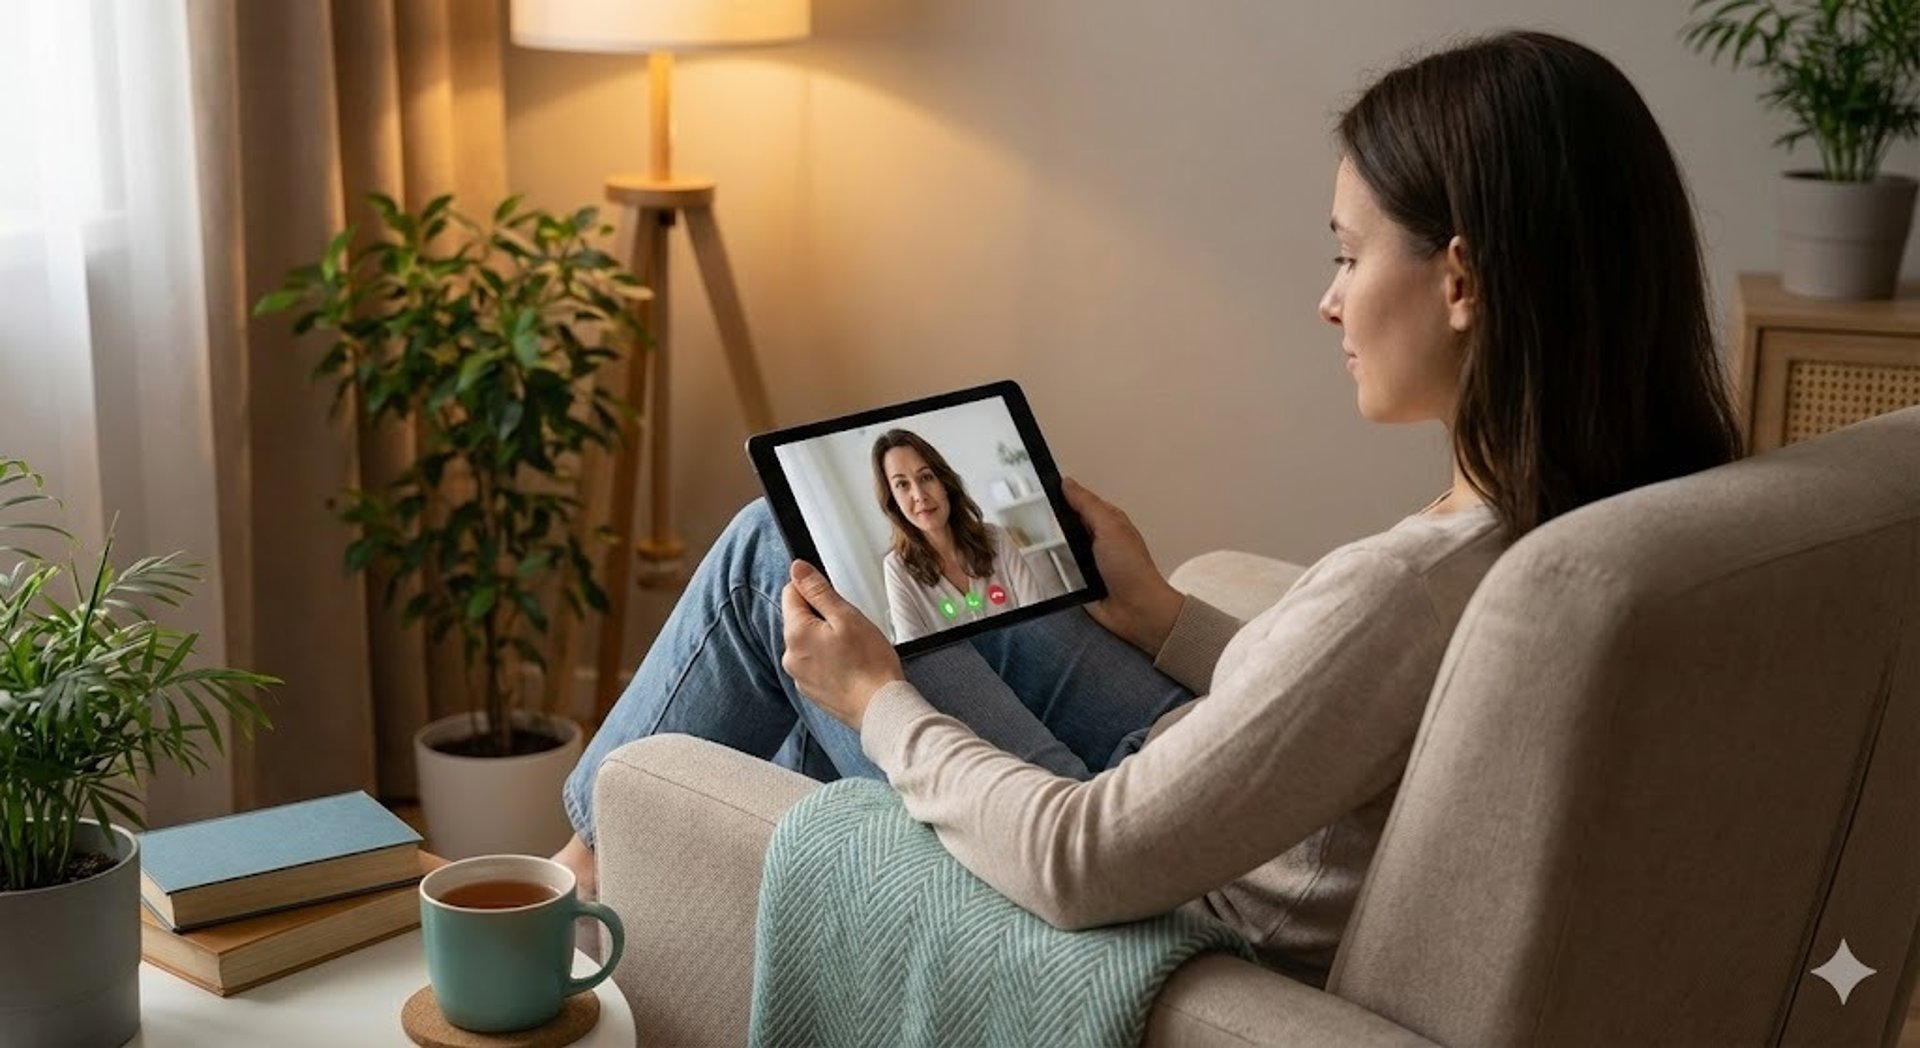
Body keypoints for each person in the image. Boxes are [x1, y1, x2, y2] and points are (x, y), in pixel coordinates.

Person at [554, 29, 1741, 988]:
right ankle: (595, 861)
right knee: (904, 577)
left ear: (1462, 280)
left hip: (1152, 867)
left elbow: (1084, 857)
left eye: (1347, 254)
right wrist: (1166, 616)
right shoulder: (1591, 517)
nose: (1330, 302)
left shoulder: (1412, 584)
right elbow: (1375, 718)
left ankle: (569, 877)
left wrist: (876, 702)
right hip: (1208, 789)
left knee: (783, 549)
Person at [873, 428, 1063, 643]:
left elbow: (1041, 617)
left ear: (944, 484)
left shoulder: (996, 538)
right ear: (893, 501)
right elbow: (917, 654)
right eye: (902, 484)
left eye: (926, 477)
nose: (919, 495)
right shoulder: (896, 568)